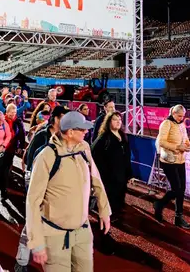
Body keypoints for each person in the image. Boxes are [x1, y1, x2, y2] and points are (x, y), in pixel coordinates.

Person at [26, 111, 111, 271]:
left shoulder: (84, 148)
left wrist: (104, 210)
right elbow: (33, 201)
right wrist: (36, 242)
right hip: (54, 236)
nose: (87, 132)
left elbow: (96, 180)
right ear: (70, 132)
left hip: (83, 232)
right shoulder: (47, 156)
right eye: (82, 129)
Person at [153, 104, 190, 229]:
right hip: (169, 161)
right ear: (173, 113)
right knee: (176, 189)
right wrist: (177, 147)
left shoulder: (181, 124)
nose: (181, 118)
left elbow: (185, 138)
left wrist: (188, 145)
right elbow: (161, 142)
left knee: (181, 190)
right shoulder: (166, 124)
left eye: (183, 116)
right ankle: (160, 204)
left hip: (180, 160)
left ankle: (178, 217)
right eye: (179, 116)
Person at [91, 111, 132, 221]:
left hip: (121, 174)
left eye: (120, 120)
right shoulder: (104, 138)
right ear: (109, 122)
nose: (118, 122)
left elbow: (127, 157)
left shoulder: (123, 137)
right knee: (109, 196)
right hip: (108, 176)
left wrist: (130, 174)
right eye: (115, 119)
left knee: (120, 195)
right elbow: (94, 154)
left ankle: (116, 212)